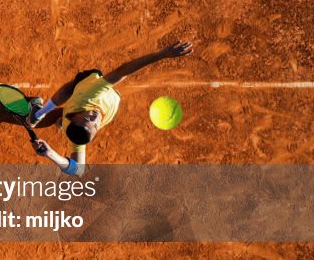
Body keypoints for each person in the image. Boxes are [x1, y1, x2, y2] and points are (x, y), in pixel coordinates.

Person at [26, 41, 194, 176]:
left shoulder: (89, 94)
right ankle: (61, 121)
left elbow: (122, 71)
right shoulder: (79, 138)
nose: (95, 117)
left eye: (87, 117)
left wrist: (161, 54)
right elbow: (79, 170)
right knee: (73, 119)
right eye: (95, 125)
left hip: (85, 86)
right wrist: (49, 154)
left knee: (71, 87)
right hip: (86, 110)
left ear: (76, 115)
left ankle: (38, 113)